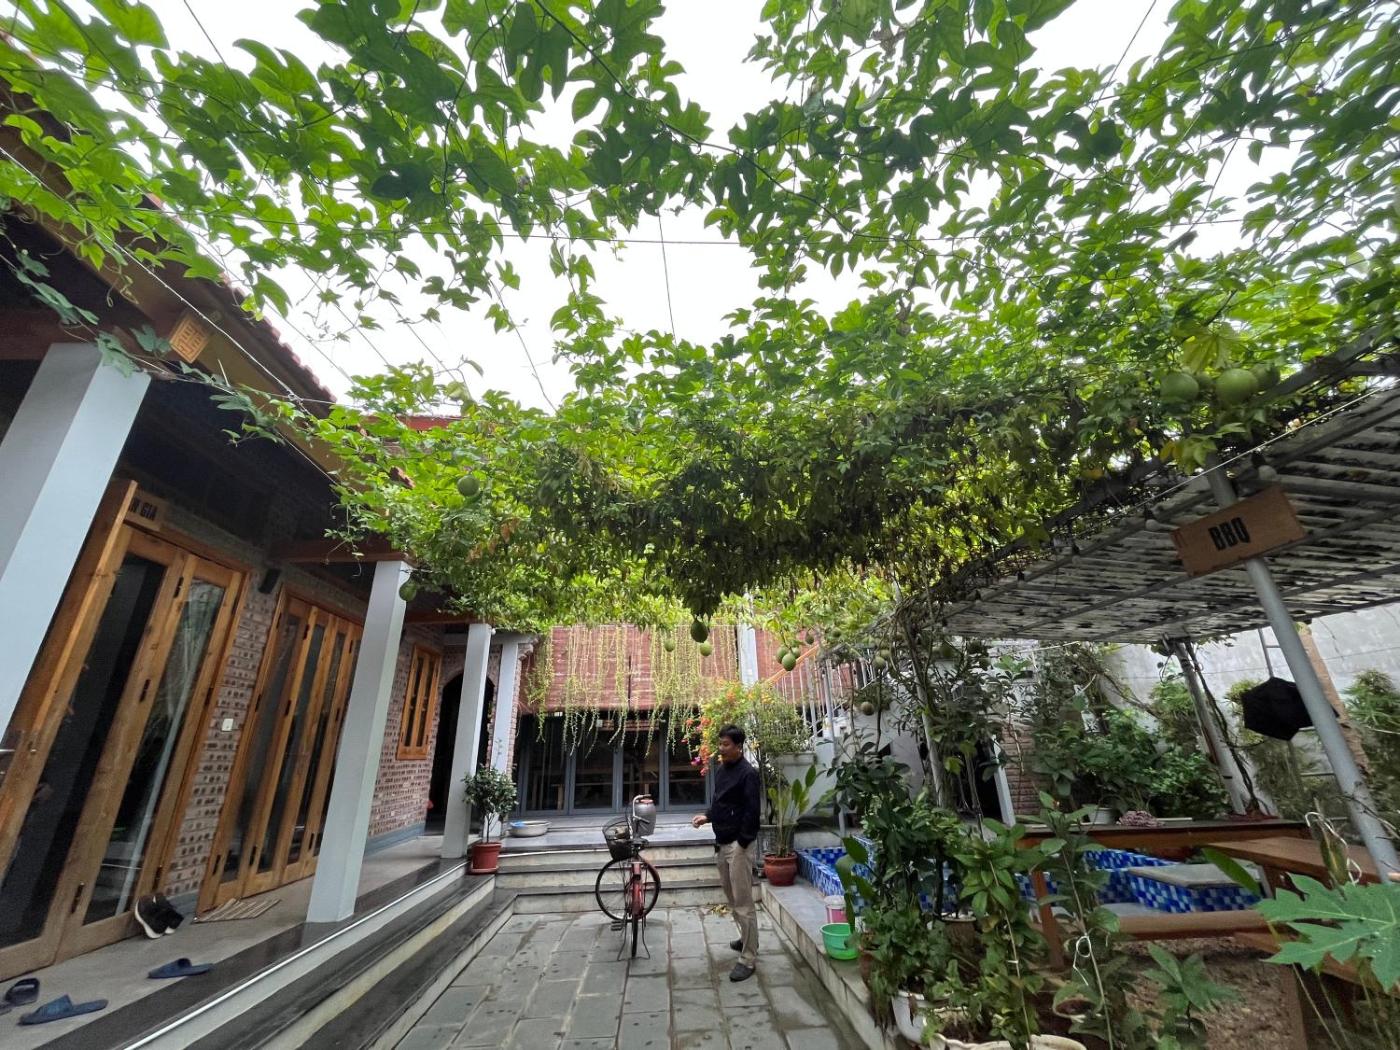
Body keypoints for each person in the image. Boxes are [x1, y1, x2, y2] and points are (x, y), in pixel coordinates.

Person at [690, 723, 761, 981]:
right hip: (721, 842)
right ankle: (746, 938)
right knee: (732, 898)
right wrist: (707, 816)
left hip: (738, 846)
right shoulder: (722, 770)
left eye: (726, 744)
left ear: (738, 746)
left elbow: (753, 811)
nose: (721, 748)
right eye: (720, 744)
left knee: (743, 902)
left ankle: (748, 958)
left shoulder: (748, 774)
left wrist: (742, 843)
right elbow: (721, 802)